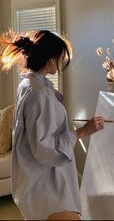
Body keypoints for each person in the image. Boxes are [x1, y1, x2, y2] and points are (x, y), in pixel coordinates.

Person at [0, 30, 105, 220]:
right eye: (61, 57)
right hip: (46, 186)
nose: (62, 61)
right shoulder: (39, 93)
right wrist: (82, 132)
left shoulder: (28, 84)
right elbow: (43, 147)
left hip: (40, 179)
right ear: (50, 59)